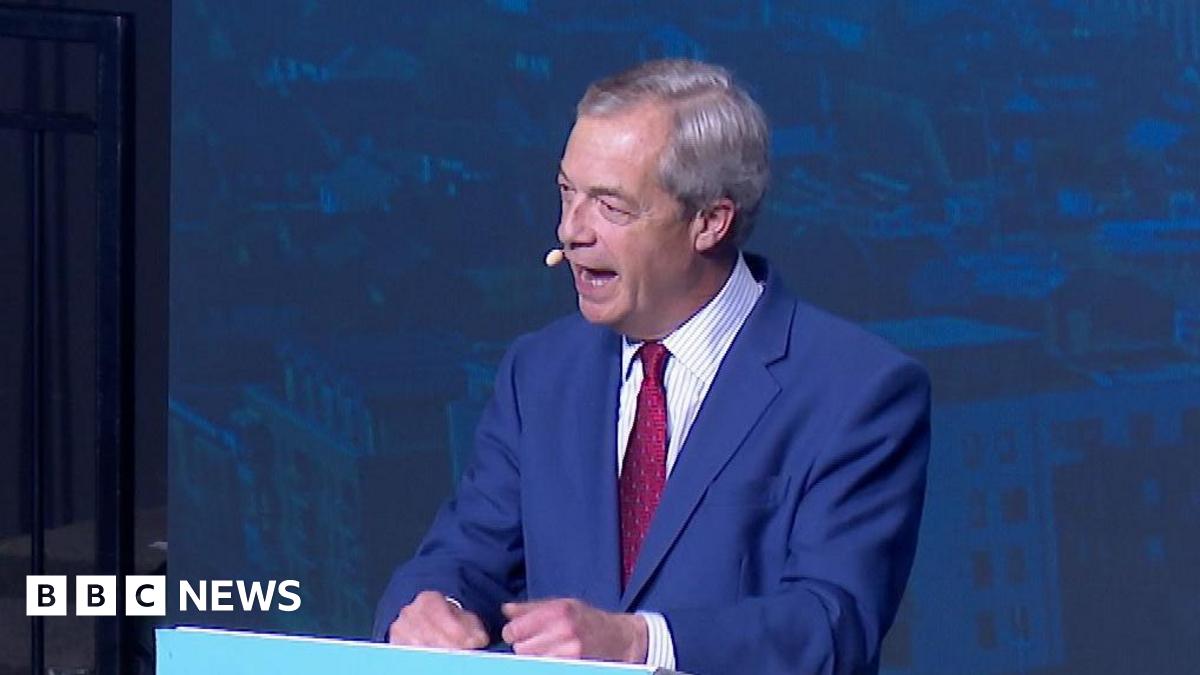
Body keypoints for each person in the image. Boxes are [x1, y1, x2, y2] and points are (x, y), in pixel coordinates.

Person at [373, 59, 930, 675]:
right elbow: (462, 556)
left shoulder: (859, 391)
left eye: (611, 207)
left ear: (709, 222)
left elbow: (832, 626)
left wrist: (640, 644)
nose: (570, 231)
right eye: (567, 192)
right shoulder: (539, 373)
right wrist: (432, 606)